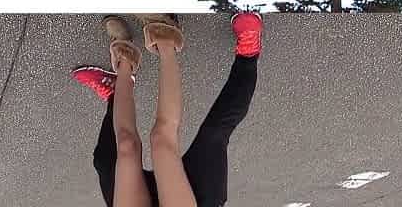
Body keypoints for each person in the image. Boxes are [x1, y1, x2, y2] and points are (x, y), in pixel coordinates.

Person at [71, 12, 263, 207]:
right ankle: (244, 54)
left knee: (118, 152)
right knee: (202, 135)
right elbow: (165, 139)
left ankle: (123, 67)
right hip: (198, 198)